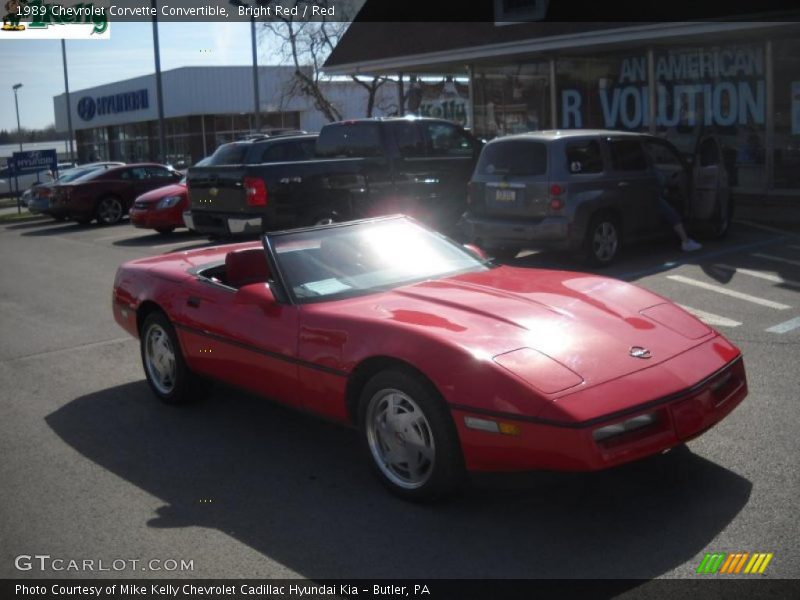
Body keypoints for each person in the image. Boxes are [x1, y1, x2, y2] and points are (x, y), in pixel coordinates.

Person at [656, 169, 702, 252]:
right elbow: (662, 181)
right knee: (672, 214)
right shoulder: (653, 170)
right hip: (653, 196)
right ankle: (685, 241)